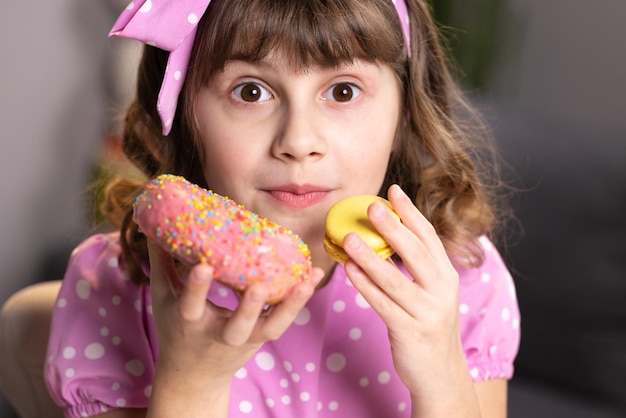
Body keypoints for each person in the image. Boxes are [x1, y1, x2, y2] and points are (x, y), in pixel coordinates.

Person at [43, 0, 520, 417]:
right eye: (251, 91)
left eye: (343, 91)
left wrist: (442, 374)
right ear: (187, 116)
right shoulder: (111, 290)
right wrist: (191, 382)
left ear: (405, 112)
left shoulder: (462, 281)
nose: (299, 142)